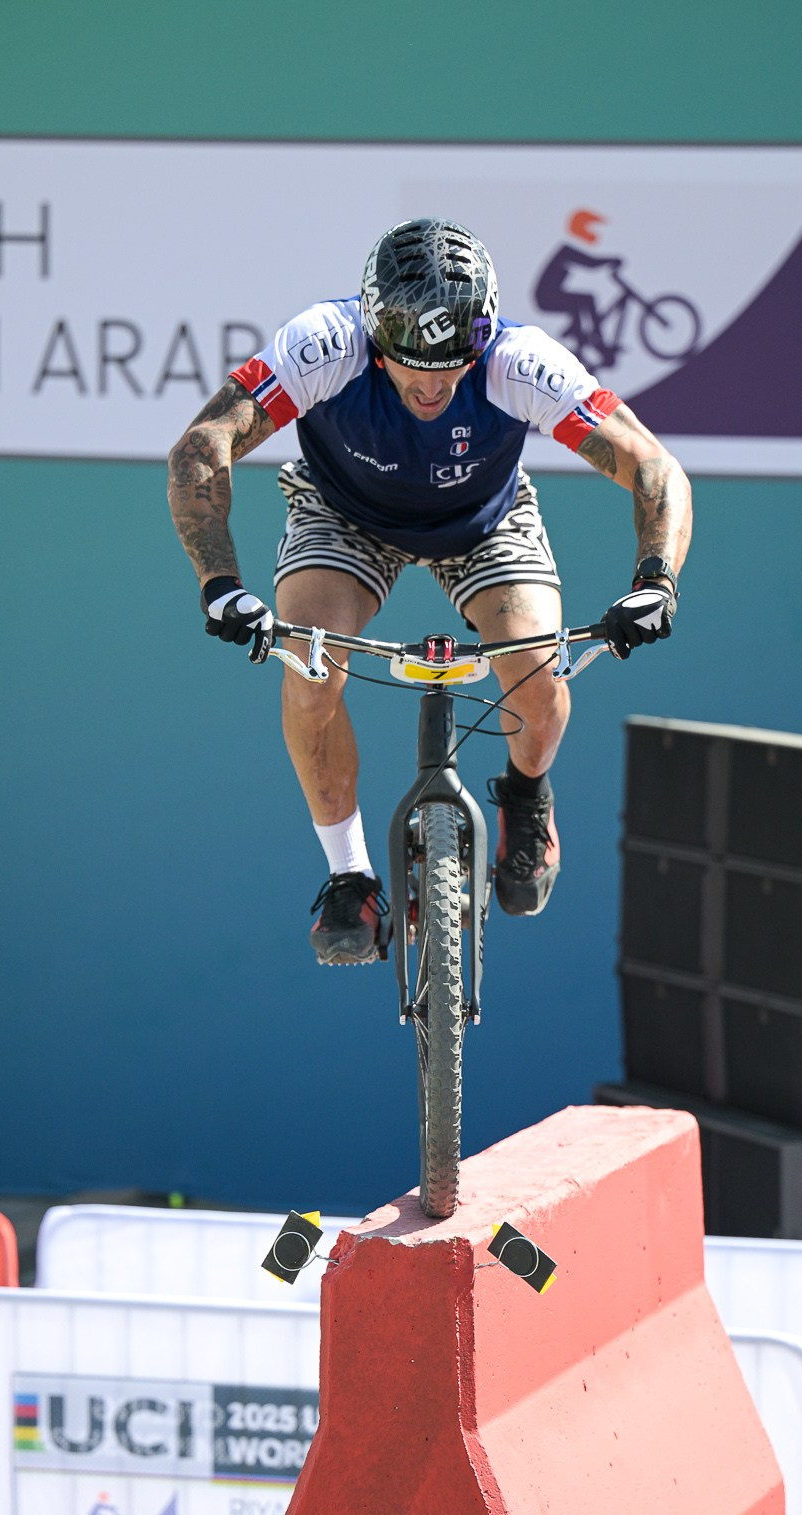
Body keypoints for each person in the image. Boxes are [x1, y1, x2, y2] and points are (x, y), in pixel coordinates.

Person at [168, 217, 692, 966]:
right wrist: (221, 585)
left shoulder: (520, 360)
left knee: (538, 675)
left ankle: (525, 794)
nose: (431, 389)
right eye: (411, 369)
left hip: (484, 521)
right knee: (310, 665)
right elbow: (203, 442)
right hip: (342, 514)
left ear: (481, 338)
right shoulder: (324, 342)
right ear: (374, 335)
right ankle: (349, 873)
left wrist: (654, 582)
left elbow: (653, 466)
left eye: (450, 370)